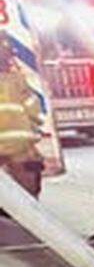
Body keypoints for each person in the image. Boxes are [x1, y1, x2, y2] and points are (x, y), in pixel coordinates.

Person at [0, 39, 44, 198]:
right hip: (22, 150)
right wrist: (32, 130)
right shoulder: (18, 80)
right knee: (28, 198)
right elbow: (34, 109)